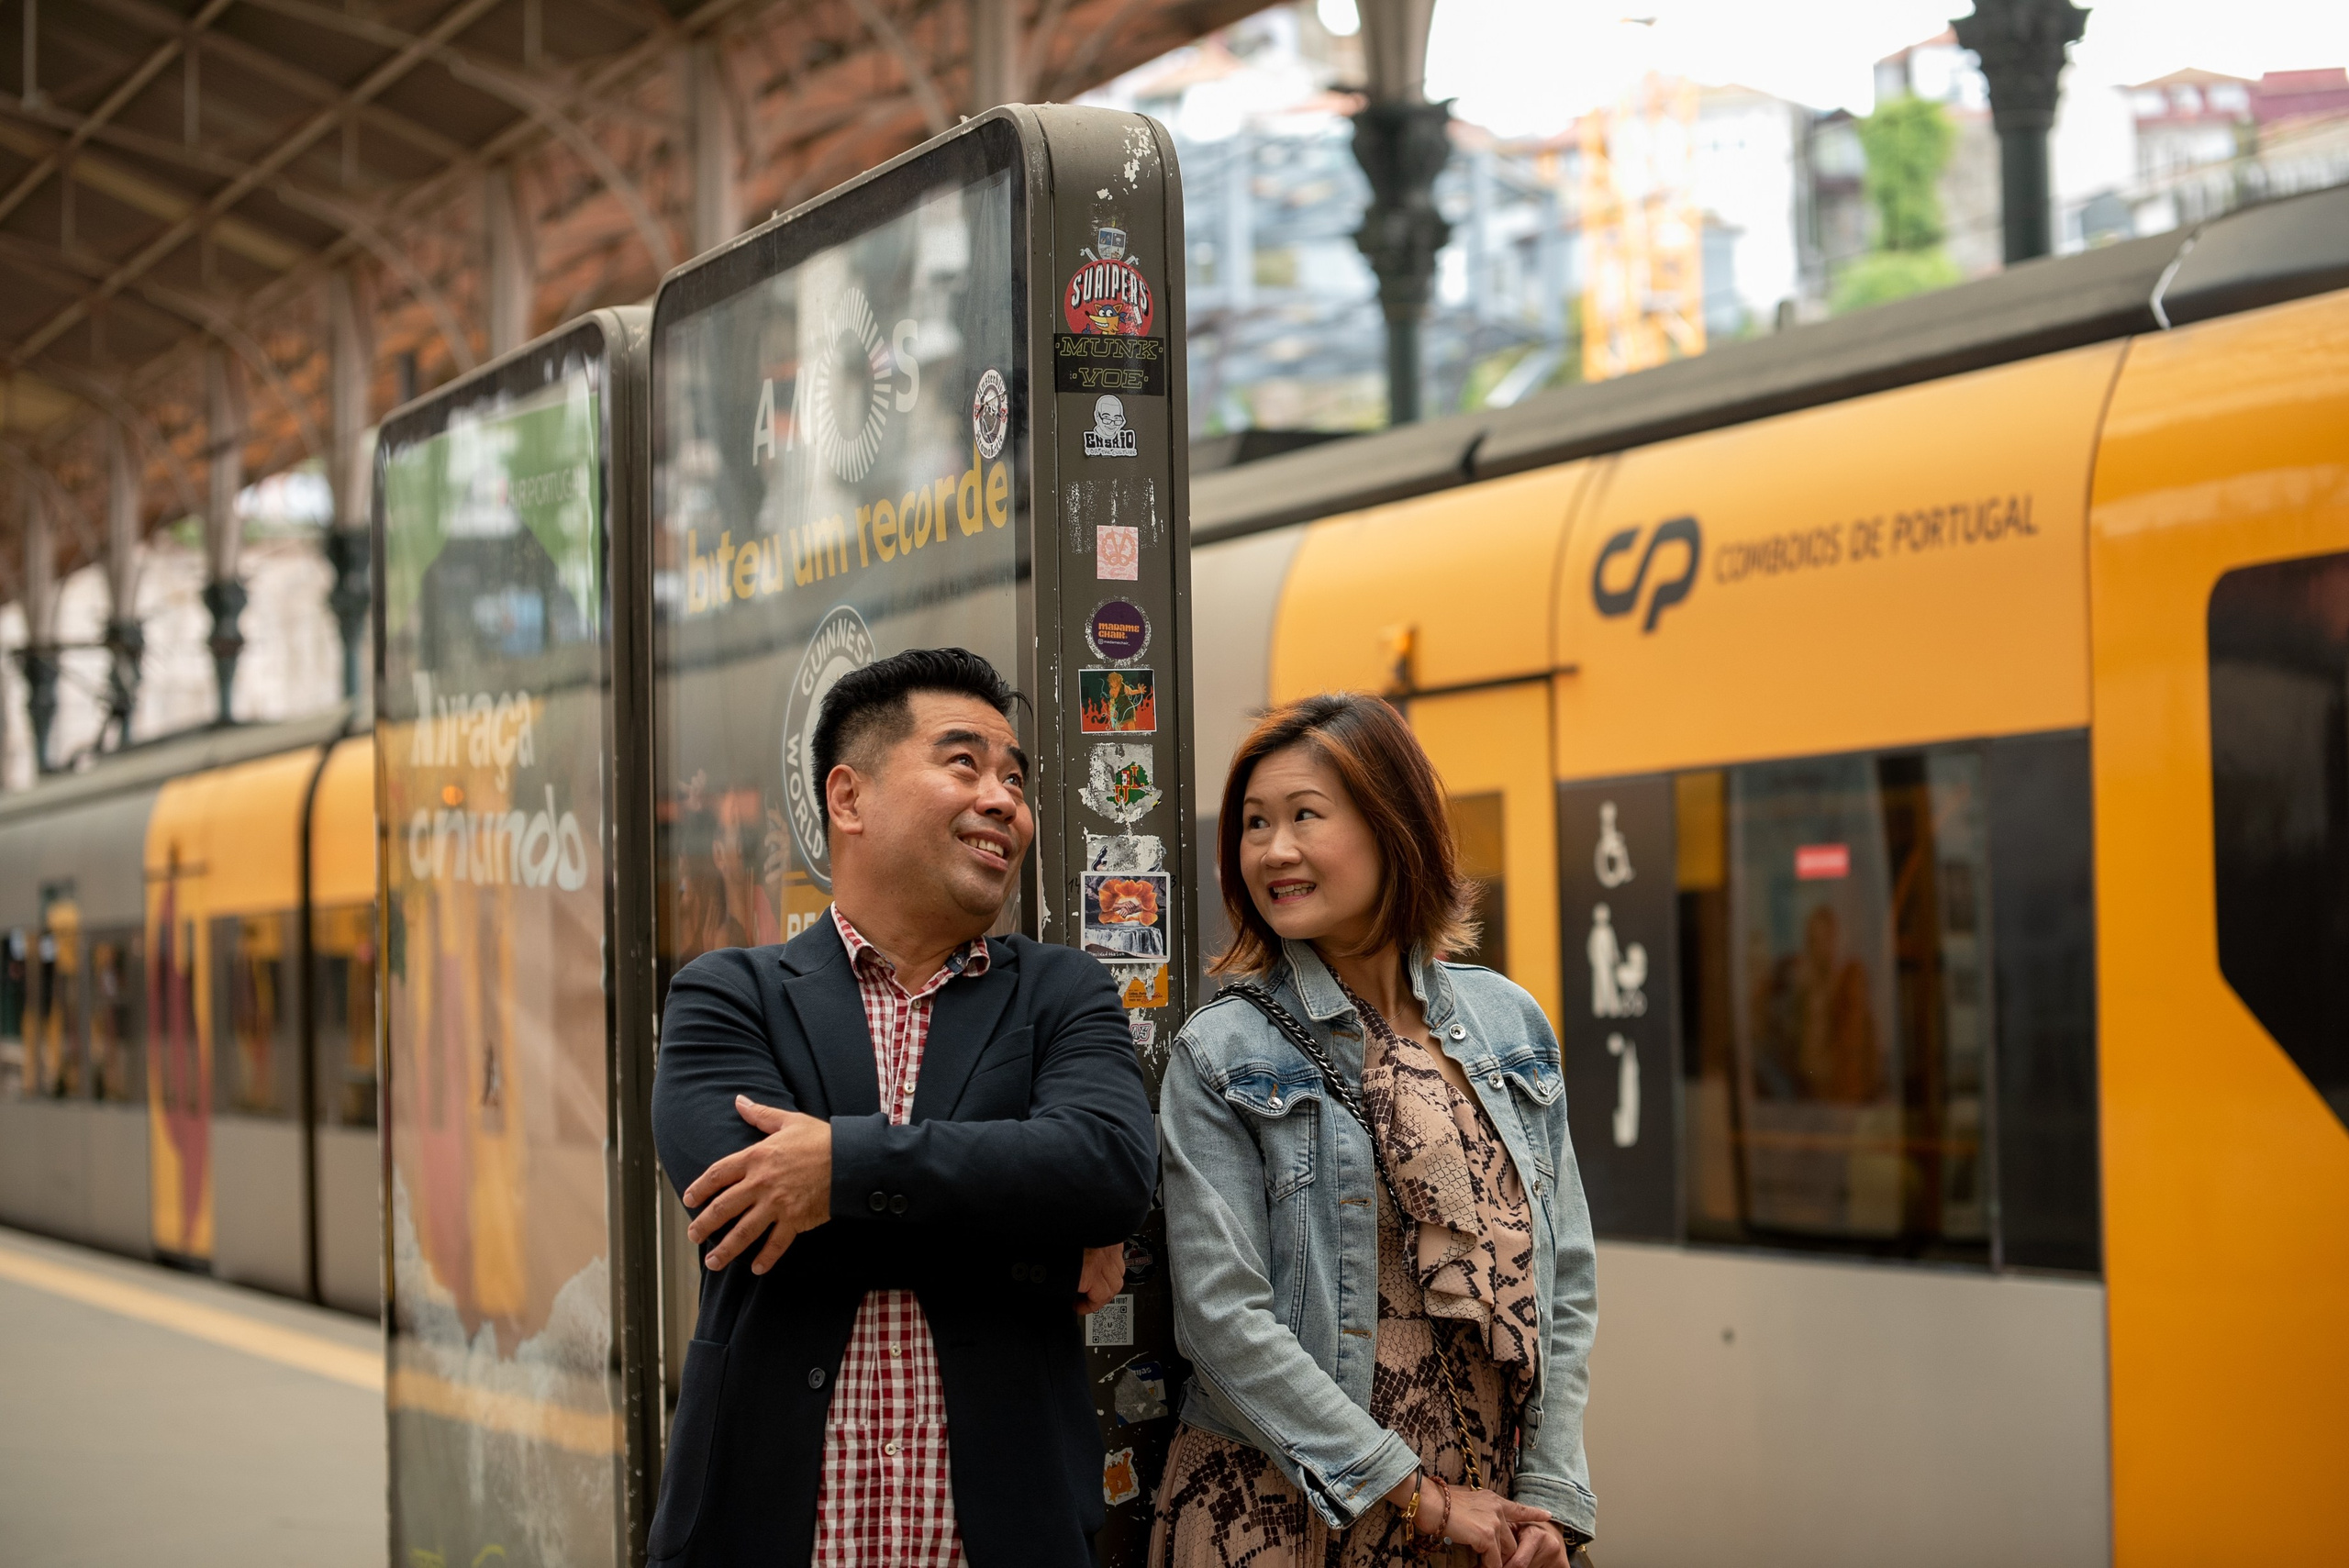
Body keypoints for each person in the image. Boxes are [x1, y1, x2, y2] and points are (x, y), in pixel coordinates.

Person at [647, 647, 1156, 1568]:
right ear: (849, 797)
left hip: (1005, 1537)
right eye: (962, 763)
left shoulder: (1060, 992)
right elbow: (743, 1209)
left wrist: (838, 1168)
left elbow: (1108, 1169)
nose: (1003, 798)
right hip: (765, 1534)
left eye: (1014, 777)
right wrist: (1032, 1231)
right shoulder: (728, 994)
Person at [1152, 693, 1599, 1568]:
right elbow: (1219, 1319)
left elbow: (1567, 1275)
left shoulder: (1510, 1023)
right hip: (1286, 1517)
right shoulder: (1223, 1051)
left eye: (1304, 817)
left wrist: (1548, 1495)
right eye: (1253, 824)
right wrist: (1418, 1494)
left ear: (1393, 826)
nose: (1271, 850)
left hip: (1489, 1520)